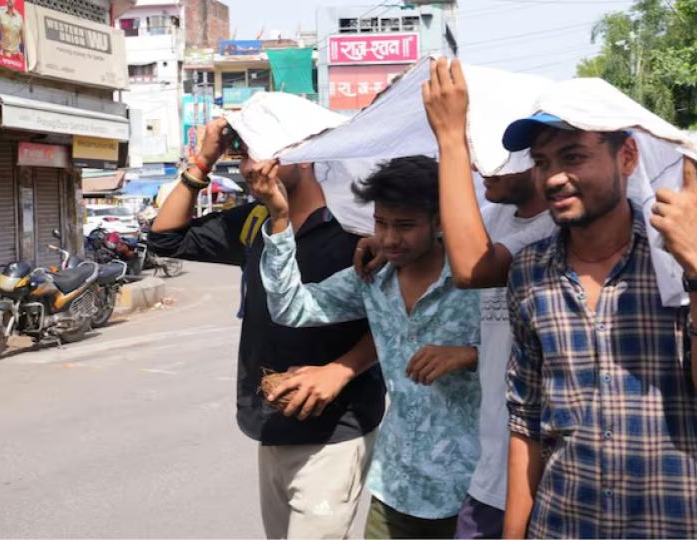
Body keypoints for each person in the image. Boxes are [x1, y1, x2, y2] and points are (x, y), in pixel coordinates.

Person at [497, 115, 697, 537]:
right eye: (543, 161)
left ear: (626, 156)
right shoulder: (529, 271)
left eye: (573, 157)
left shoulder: (684, 254)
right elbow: (525, 421)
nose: (553, 178)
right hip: (560, 525)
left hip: (673, 525)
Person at [149, 118, 386, 539]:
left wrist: (342, 369)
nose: (247, 165)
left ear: (304, 153)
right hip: (271, 421)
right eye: (243, 152)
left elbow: (394, 314)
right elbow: (166, 240)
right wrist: (203, 160)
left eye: (261, 148)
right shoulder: (254, 222)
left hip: (337, 427)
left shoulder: (359, 229)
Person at [259, 155, 482, 539]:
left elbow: (530, 353)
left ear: (440, 220)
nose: (391, 238)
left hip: (471, 488)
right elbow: (290, 309)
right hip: (395, 485)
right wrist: (280, 221)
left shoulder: (478, 278)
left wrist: (470, 355)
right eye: (382, 223)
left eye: (406, 226)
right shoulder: (372, 278)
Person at [415, 58, 556, 538]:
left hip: (544, 462)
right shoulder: (497, 219)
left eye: (488, 145)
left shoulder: (557, 229)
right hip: (494, 457)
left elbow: (473, 269)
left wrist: (450, 136)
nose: (476, 163)